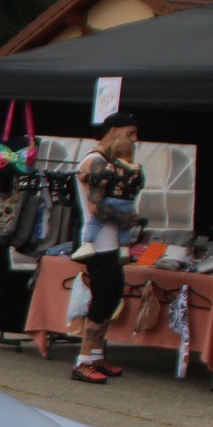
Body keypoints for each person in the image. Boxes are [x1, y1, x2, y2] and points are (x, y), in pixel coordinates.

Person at [69, 112, 140, 385]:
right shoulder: (94, 161)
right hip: (99, 245)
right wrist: (129, 218)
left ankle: (97, 355)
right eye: (130, 133)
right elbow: (97, 208)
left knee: (111, 298)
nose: (134, 139)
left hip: (112, 244)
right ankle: (83, 361)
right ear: (113, 131)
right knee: (101, 302)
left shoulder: (111, 162)